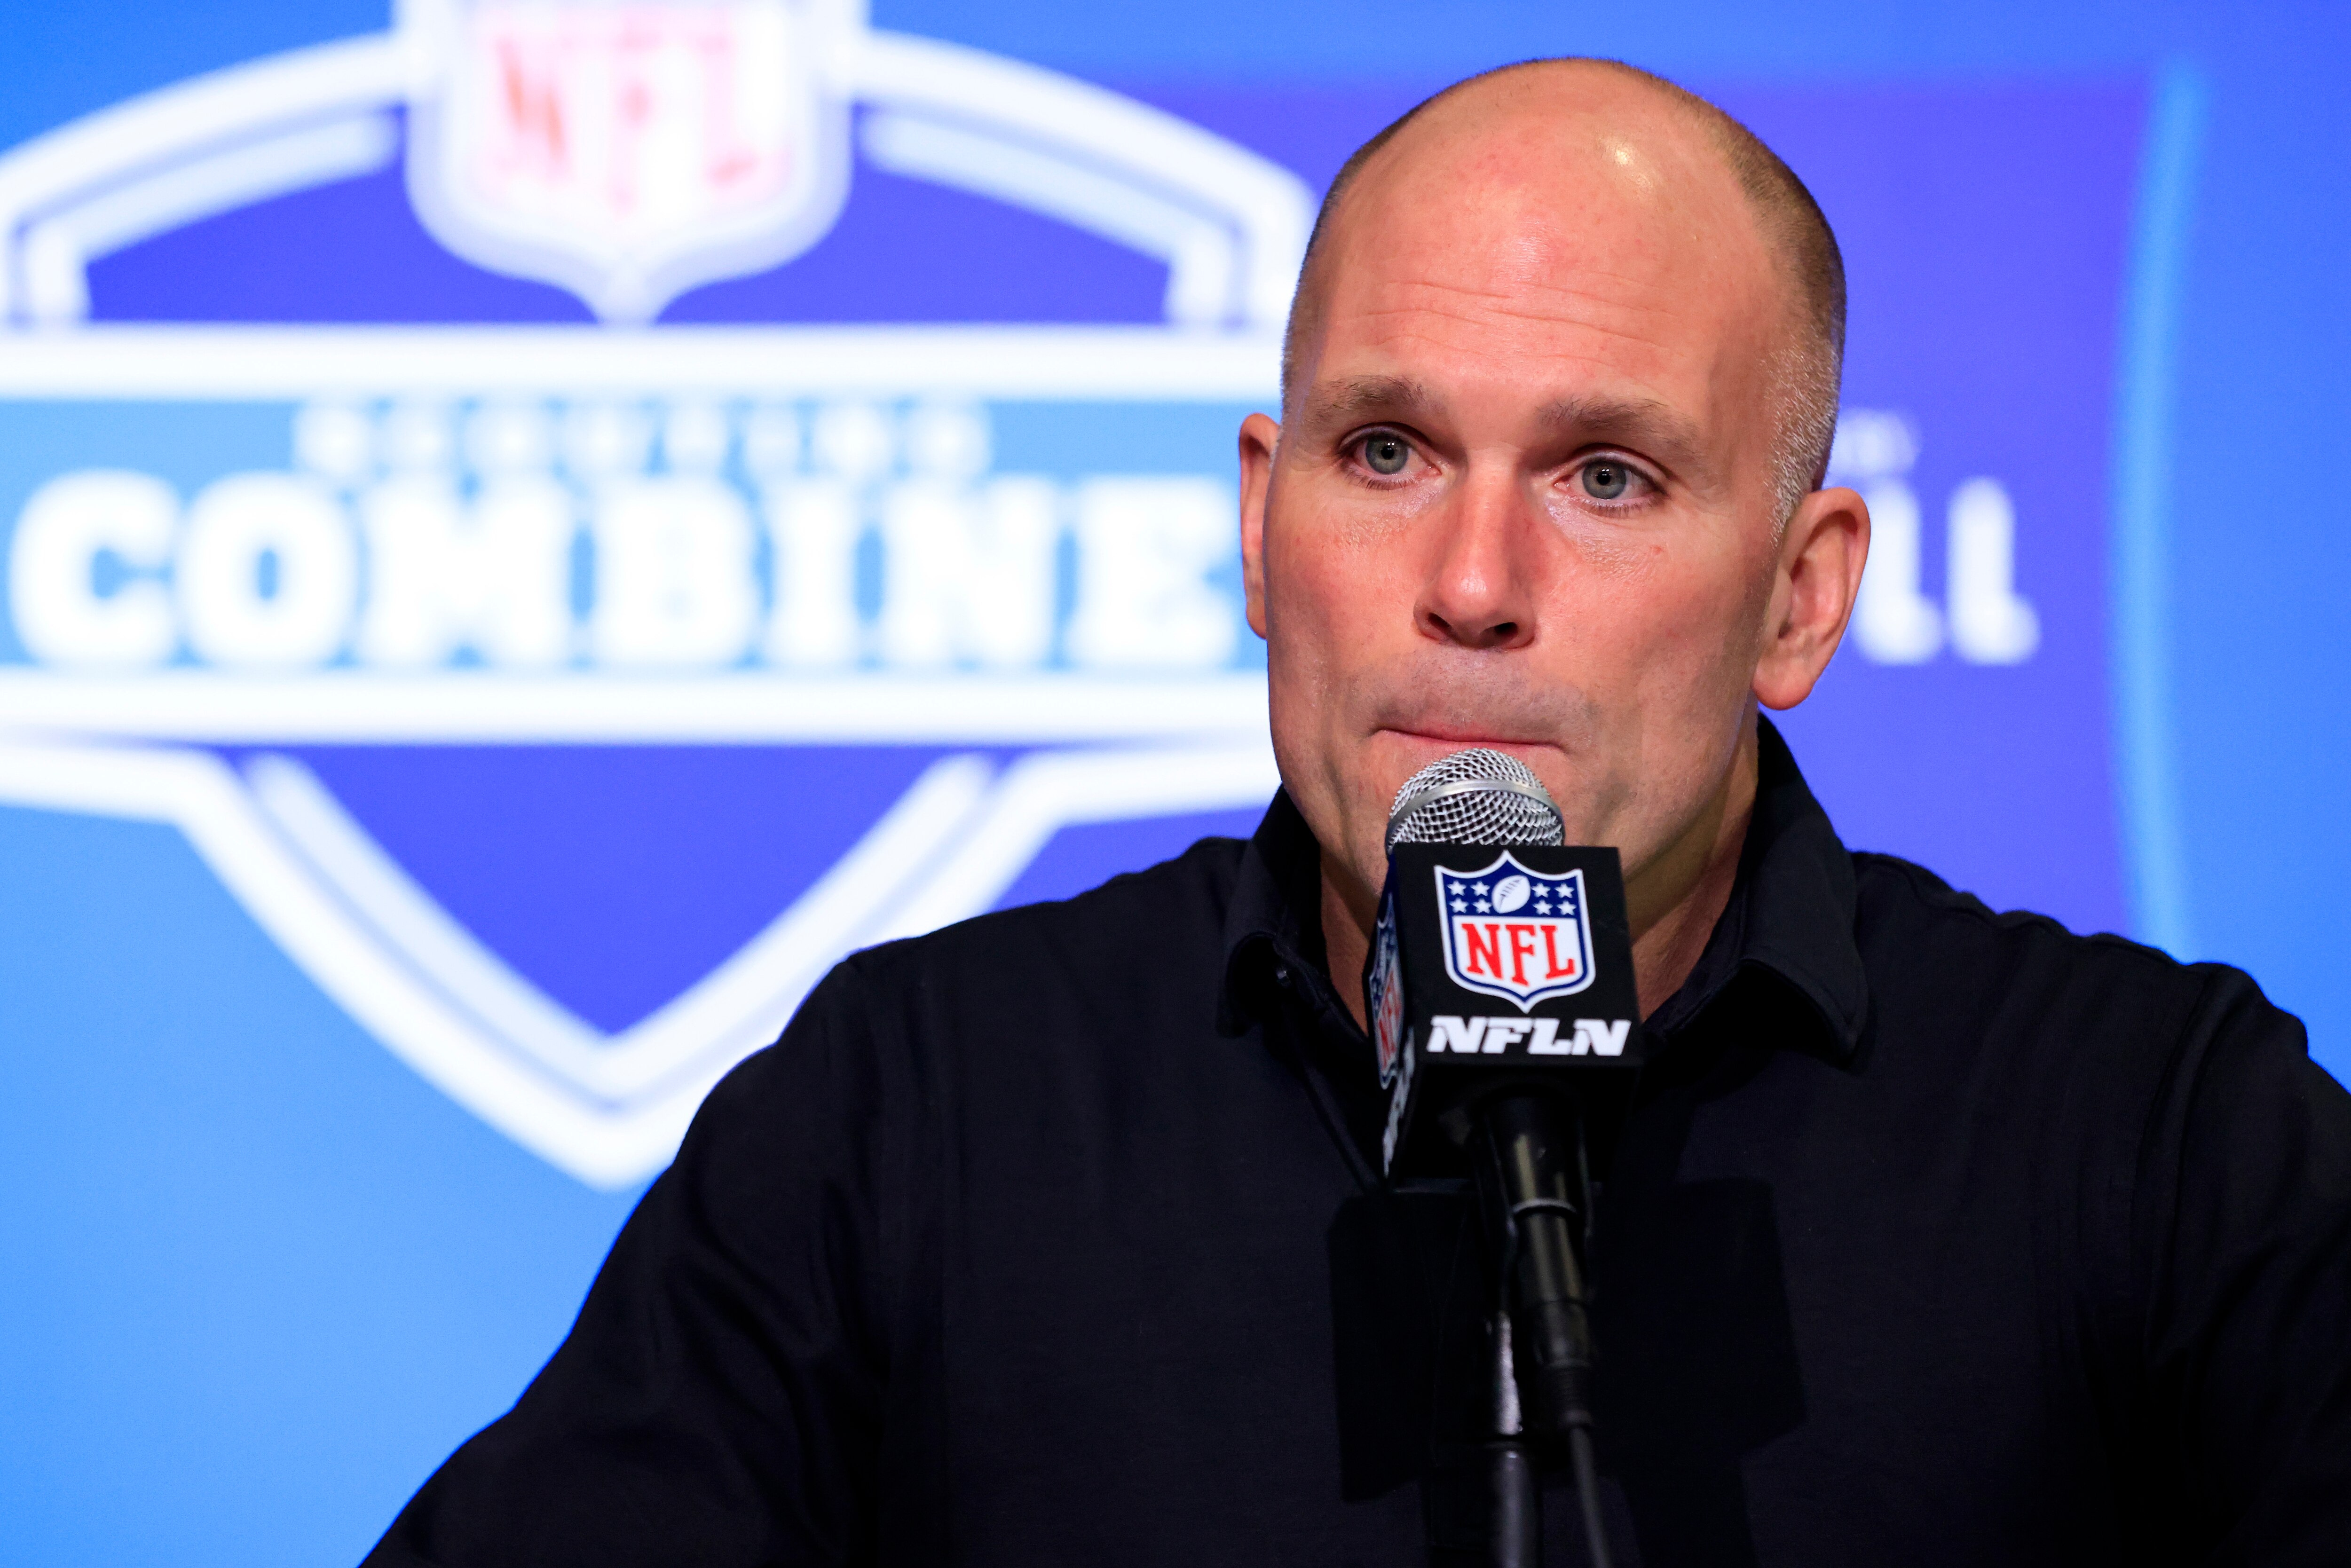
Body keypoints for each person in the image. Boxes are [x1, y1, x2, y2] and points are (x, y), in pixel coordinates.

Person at [365, 59, 2351, 1567]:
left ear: (1798, 594)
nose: (1470, 580)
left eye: (1603, 478)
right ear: (1257, 520)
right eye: (1385, 449)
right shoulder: (915, 1116)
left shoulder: (2152, 1138)